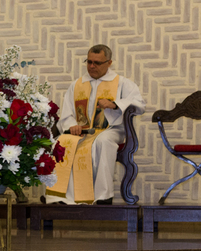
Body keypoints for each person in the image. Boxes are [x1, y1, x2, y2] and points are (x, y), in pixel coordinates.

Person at [47, 44, 145, 204]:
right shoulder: (77, 85)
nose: (92, 66)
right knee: (62, 142)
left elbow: (139, 104)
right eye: (89, 62)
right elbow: (67, 112)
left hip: (111, 129)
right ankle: (61, 196)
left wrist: (115, 104)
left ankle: (103, 196)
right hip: (82, 131)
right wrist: (72, 124)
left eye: (97, 63)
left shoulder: (122, 83)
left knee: (103, 141)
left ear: (109, 63)